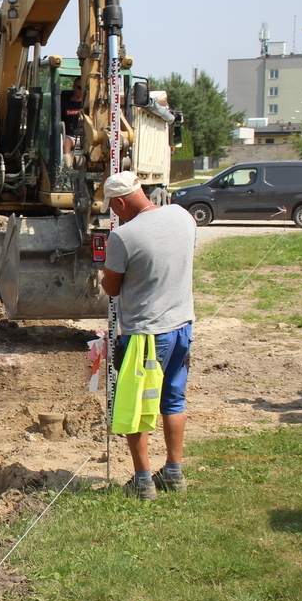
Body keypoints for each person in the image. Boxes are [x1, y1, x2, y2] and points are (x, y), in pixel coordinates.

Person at [100, 171, 196, 500]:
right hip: (182, 325)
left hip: (145, 336)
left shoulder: (124, 237)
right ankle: (174, 472)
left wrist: (107, 266)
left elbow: (111, 288)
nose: (115, 214)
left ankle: (143, 482)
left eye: (113, 208)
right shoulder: (181, 216)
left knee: (134, 405)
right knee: (173, 399)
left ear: (122, 201)